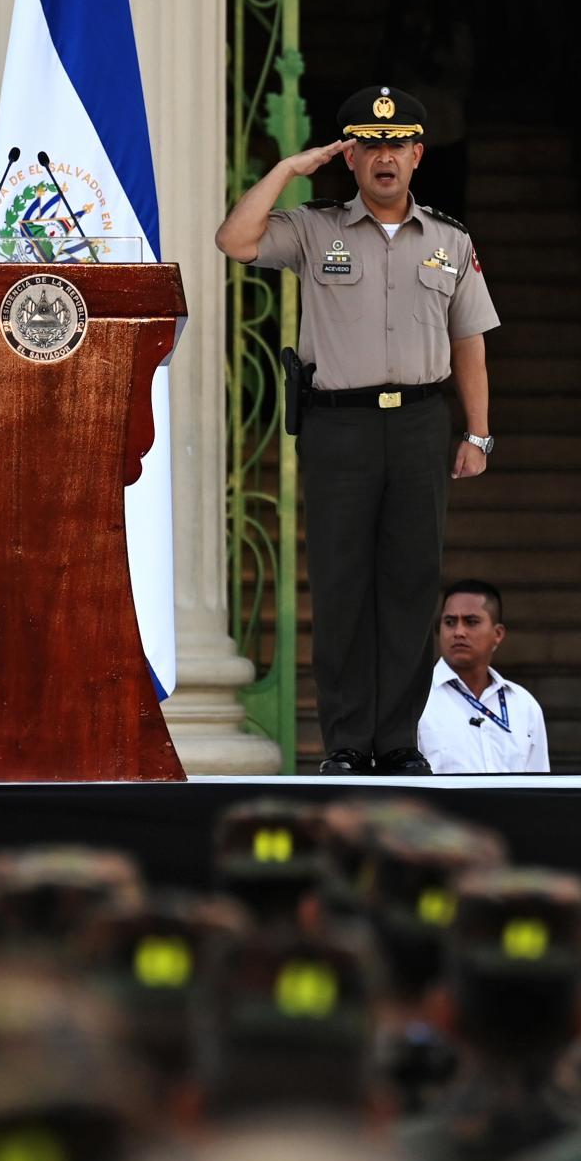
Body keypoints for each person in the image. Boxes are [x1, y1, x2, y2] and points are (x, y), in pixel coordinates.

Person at [216, 84, 500, 777]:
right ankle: (345, 743)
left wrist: (480, 434)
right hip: (338, 427)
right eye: (369, 145)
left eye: (397, 144)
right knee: (342, 587)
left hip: (421, 424)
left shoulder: (451, 240)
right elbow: (235, 238)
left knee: (409, 586)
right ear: (350, 156)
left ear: (417, 154)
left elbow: (471, 342)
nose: (384, 158)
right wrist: (287, 170)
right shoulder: (314, 229)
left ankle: (396, 742)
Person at [418, 578, 550, 775]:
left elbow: (540, 789)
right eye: (449, 622)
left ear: (497, 634)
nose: (459, 632)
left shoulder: (524, 705)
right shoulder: (417, 698)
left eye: (471, 622)